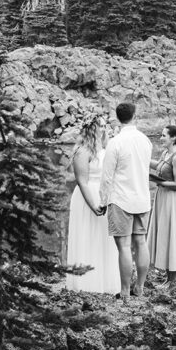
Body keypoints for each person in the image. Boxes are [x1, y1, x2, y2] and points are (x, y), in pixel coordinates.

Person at [99, 102, 153, 300]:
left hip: (121, 199)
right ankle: (140, 287)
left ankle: (124, 291)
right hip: (142, 199)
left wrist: (103, 201)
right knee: (141, 242)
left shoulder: (116, 142)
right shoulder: (146, 141)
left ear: (117, 118)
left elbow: (106, 177)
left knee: (123, 246)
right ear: (135, 115)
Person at [65, 115, 121, 294]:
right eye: (100, 126)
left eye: (105, 126)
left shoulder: (104, 148)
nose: (104, 129)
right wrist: (93, 204)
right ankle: (86, 284)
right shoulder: (82, 151)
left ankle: (105, 282)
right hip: (86, 197)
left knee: (104, 240)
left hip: (105, 195)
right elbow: (81, 181)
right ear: (91, 129)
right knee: (87, 237)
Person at [147, 124, 176, 287]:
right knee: (163, 233)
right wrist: (141, 159)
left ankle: (173, 280)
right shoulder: (166, 153)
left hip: (172, 199)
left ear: (173, 138)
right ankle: (167, 277)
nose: (161, 138)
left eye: (164, 135)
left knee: (172, 234)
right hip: (162, 197)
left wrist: (157, 181)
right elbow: (158, 166)